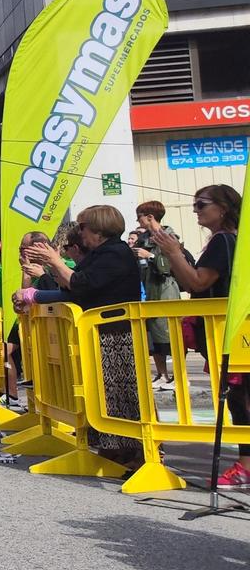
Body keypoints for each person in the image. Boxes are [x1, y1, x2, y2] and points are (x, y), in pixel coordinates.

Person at [15, 204, 145, 466]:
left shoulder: (115, 253)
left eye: (82, 226)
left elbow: (79, 285)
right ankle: (113, 446)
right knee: (103, 392)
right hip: (99, 331)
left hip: (115, 332)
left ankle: (129, 449)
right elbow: (71, 287)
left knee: (118, 391)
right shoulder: (102, 253)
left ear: (97, 228)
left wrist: (54, 262)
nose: (79, 232)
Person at [140, 183, 244, 490]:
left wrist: (172, 252)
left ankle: (246, 467)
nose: (195, 210)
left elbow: (197, 282)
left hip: (229, 330)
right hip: (231, 328)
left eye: (201, 205)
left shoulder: (223, 240)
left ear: (222, 208)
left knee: (240, 399)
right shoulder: (231, 239)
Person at [129, 200, 182, 389]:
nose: (138, 221)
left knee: (170, 333)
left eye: (140, 217)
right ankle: (162, 374)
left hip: (165, 291)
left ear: (150, 217)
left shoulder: (169, 236)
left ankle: (179, 375)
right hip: (148, 290)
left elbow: (170, 265)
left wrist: (149, 256)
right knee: (153, 335)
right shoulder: (144, 238)